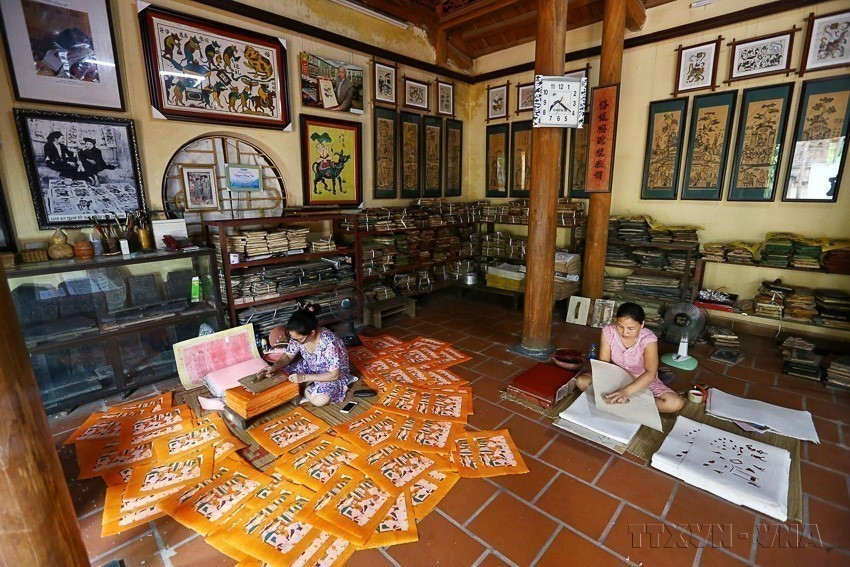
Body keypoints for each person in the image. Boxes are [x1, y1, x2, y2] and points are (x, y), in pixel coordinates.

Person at [576, 302, 685, 413]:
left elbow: (650, 373)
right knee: (582, 382)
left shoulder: (648, 339)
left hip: (641, 379)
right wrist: (610, 384)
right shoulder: (609, 331)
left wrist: (626, 392)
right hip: (614, 376)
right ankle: (631, 404)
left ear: (642, 325)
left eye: (631, 328)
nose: (625, 332)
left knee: (674, 403)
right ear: (616, 321)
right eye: (620, 326)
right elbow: (604, 364)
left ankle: (622, 401)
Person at [255, 304, 353, 407]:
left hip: (329, 374)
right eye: (294, 338)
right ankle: (302, 387)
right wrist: (274, 366)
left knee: (320, 400)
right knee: (275, 375)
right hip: (309, 366)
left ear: (312, 333)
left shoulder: (329, 342)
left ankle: (302, 389)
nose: (296, 342)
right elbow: (288, 356)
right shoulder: (297, 337)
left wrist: (303, 378)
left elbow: (334, 375)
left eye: (299, 339)